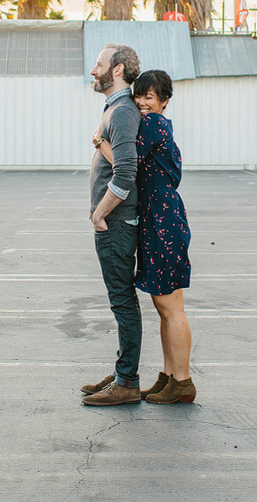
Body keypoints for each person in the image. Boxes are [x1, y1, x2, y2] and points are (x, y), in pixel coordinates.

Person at [96, 69, 195, 404]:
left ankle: (182, 381)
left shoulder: (153, 124)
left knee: (170, 306)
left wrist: (100, 142)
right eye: (138, 95)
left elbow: (129, 165)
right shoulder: (159, 124)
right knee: (164, 304)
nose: (140, 102)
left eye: (149, 97)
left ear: (164, 101)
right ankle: (168, 377)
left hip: (163, 219)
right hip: (160, 217)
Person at [79, 44, 143, 407]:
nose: (93, 71)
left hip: (115, 223)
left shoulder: (120, 113)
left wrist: (101, 212)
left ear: (117, 69)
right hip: (115, 222)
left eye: (99, 65)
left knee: (122, 301)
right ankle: (123, 372)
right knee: (121, 301)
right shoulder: (116, 109)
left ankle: (128, 381)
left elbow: (126, 172)